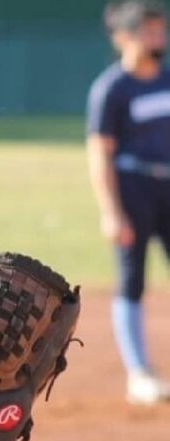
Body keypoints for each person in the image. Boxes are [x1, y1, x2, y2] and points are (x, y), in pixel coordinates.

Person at [87, 0, 170, 405]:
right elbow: (99, 153)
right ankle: (139, 373)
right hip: (133, 187)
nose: (157, 37)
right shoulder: (113, 89)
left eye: (160, 29)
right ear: (123, 37)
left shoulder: (167, 79)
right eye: (147, 30)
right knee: (132, 279)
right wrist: (111, 211)